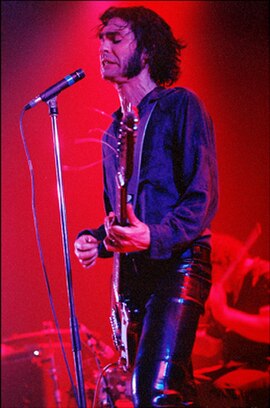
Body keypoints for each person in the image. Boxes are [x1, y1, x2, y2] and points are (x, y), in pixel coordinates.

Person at [74, 6, 218, 408]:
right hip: (134, 278)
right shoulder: (111, 132)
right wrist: (98, 240)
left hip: (179, 263)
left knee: (152, 393)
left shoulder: (180, 106)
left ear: (149, 49)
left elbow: (201, 198)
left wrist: (152, 235)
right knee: (170, 393)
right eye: (101, 39)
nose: (103, 46)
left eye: (116, 38)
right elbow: (125, 217)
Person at [192, 233, 270, 407]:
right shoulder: (227, 291)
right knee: (183, 386)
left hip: (263, 367)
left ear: (220, 263)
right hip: (236, 366)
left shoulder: (264, 276)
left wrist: (225, 315)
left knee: (220, 392)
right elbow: (213, 346)